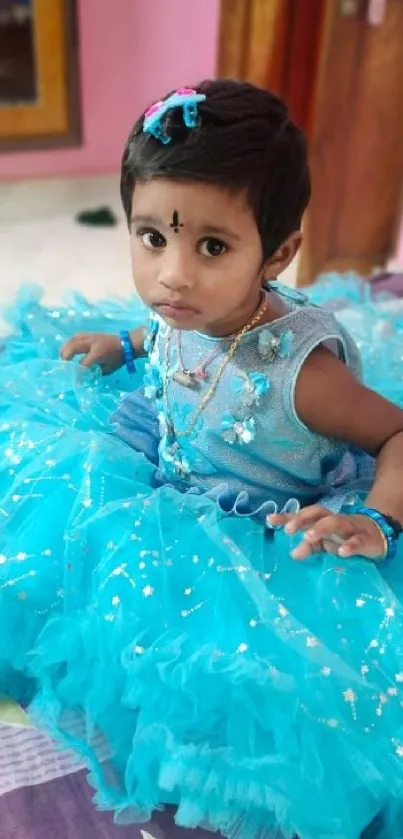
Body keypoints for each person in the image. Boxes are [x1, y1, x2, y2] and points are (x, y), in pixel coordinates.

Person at [1, 79, 403, 839]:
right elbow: (167, 334)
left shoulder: (303, 376)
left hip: (259, 529)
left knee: (247, 685)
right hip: (164, 469)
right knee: (52, 510)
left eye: (210, 246)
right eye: (151, 236)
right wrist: (123, 342)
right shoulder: (181, 309)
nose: (172, 275)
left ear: (278, 251)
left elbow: (397, 434)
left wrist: (378, 520)